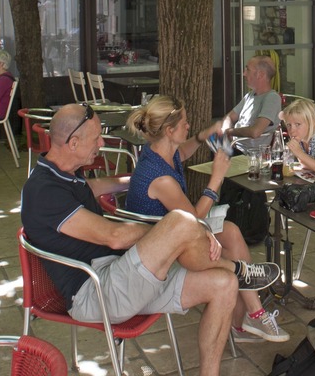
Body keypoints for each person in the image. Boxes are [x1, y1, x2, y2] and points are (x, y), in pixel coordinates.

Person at [20, 104, 282, 376]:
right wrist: (171, 234)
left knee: (224, 284)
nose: (102, 144)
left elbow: (92, 188)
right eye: (96, 138)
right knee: (181, 221)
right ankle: (240, 269)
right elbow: (115, 236)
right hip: (96, 292)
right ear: (73, 142)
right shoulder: (44, 191)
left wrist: (135, 181)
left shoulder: (66, 174)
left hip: (122, 277)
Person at [124, 96, 289, 343]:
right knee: (229, 244)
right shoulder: (160, 179)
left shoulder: (158, 150)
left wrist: (202, 137)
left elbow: (182, 151)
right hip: (161, 250)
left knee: (231, 232)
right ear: (169, 131)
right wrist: (216, 178)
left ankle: (250, 315)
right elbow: (192, 221)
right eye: (184, 122)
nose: (188, 125)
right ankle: (249, 309)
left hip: (170, 234)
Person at [200, 55, 280, 151]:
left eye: (248, 70)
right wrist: (225, 129)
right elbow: (230, 117)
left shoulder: (272, 98)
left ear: (260, 74)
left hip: (249, 154)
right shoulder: (250, 95)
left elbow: (255, 132)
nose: (244, 74)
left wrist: (229, 132)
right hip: (233, 147)